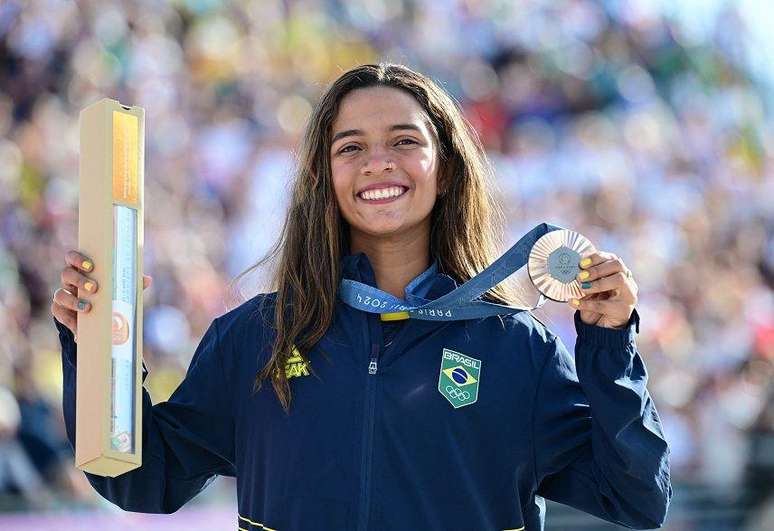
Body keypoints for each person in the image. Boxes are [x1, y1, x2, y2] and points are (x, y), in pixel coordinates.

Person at [51, 63, 671, 530]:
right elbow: (141, 479)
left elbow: (637, 498)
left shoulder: (515, 348)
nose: (378, 161)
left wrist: (609, 346)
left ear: (446, 167)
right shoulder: (255, 338)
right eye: (350, 147)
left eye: (404, 141)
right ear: (325, 176)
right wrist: (98, 344)